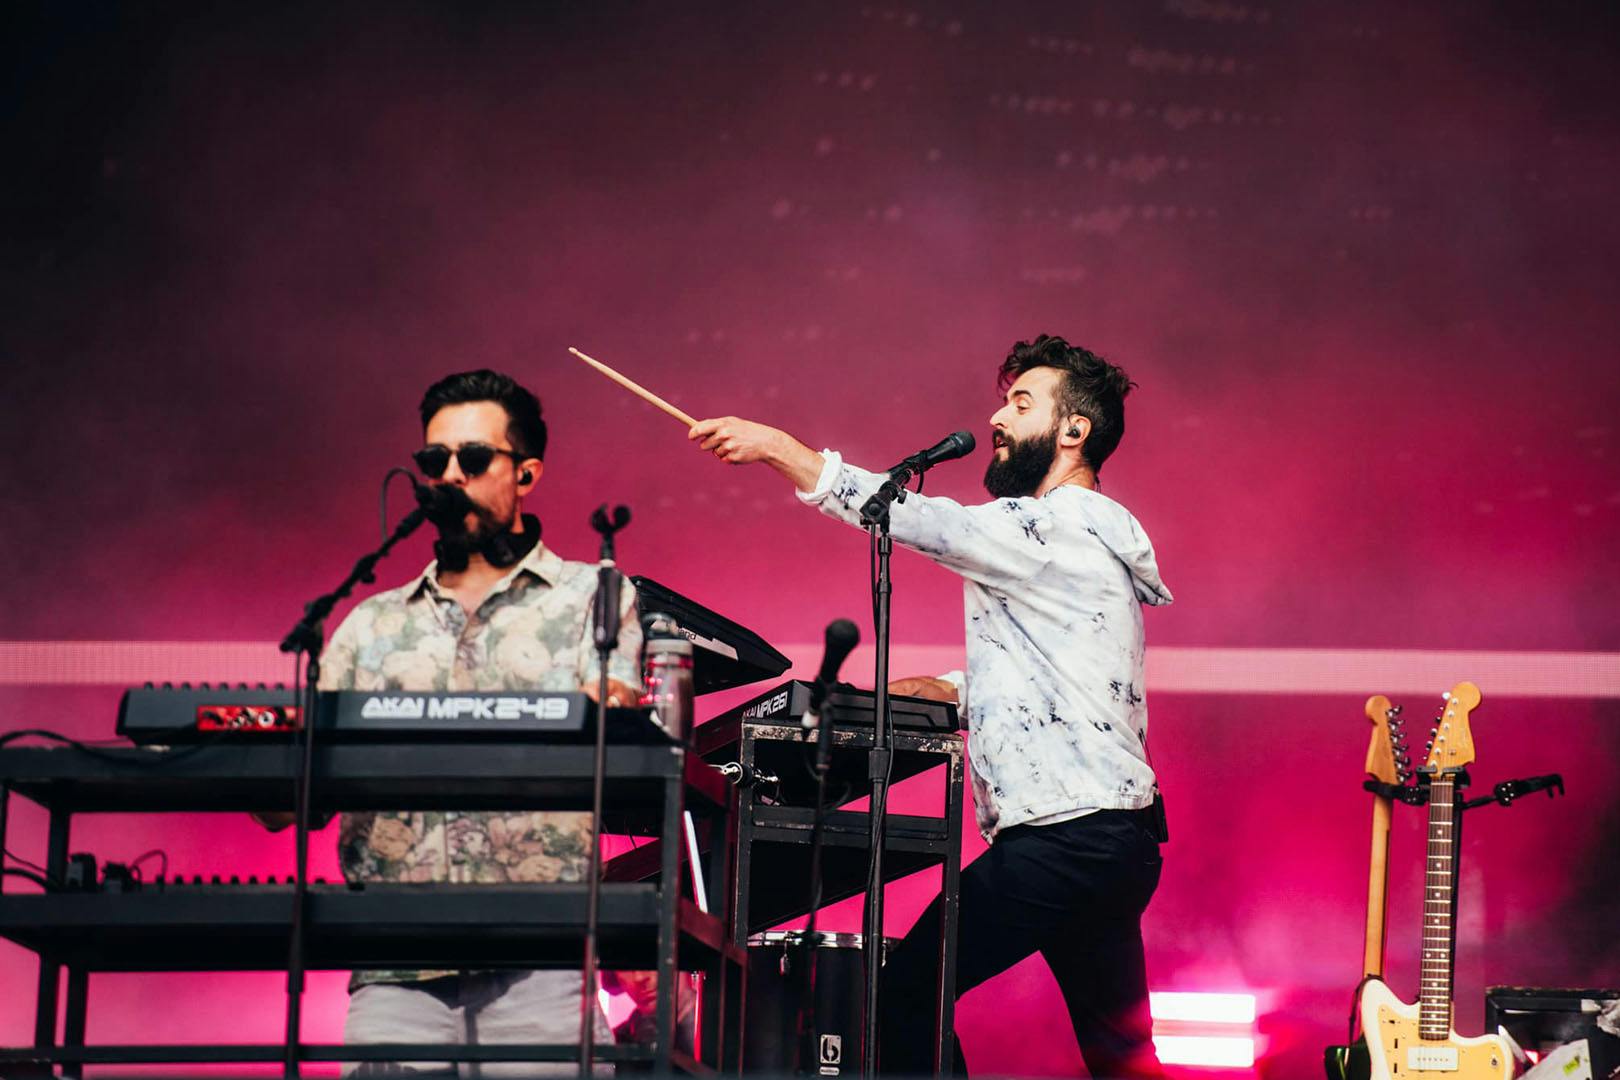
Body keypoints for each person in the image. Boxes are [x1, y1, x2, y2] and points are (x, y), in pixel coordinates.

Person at [688, 335, 1173, 1078]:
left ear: (1074, 430)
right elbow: (1060, 676)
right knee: (1123, 1061)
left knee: (904, 995)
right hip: (1112, 840)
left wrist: (779, 448)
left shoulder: (1051, 525)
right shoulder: (1081, 539)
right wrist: (948, 690)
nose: (996, 417)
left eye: (1019, 403)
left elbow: (913, 517)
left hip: (1067, 840)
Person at [258, 369, 639, 1077]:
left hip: (544, 963)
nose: (449, 476)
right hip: (394, 970)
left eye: (473, 459)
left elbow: (614, 733)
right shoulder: (372, 624)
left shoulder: (593, 597)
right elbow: (287, 803)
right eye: (435, 462)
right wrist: (244, 759)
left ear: (526, 473)